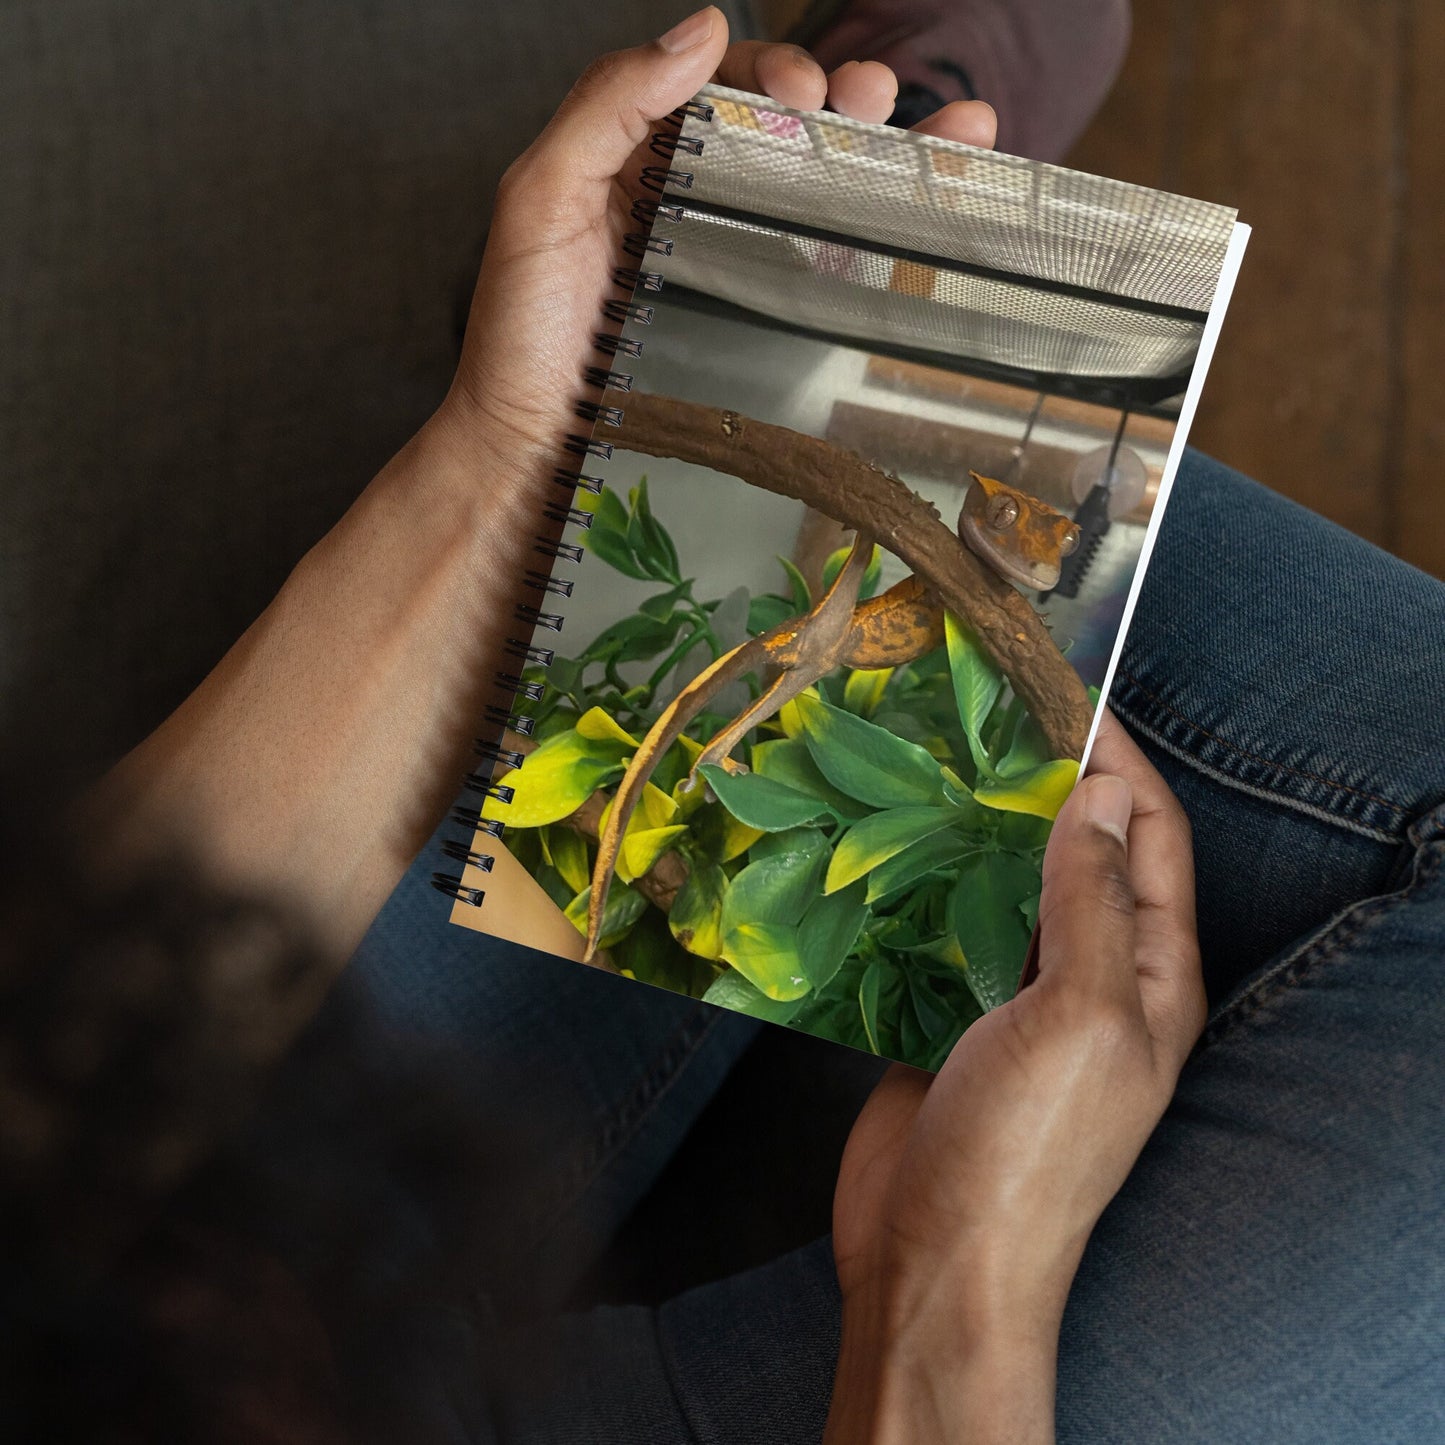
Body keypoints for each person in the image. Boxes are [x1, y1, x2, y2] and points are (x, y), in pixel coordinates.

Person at [5, 8, 1443, 1441]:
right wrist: (946, 1299)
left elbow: (48, 1078)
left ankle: (765, 295)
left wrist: (500, 463)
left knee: (716, 584)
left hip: (144, 1291)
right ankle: (839, 271)